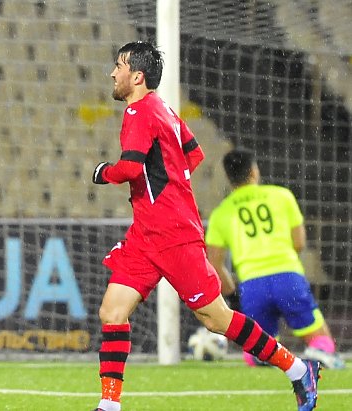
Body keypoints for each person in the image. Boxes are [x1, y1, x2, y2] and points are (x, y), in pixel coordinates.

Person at [90, 41, 320, 411]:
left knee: (217, 319)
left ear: (137, 76)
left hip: (174, 237)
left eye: (118, 66)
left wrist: (104, 173)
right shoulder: (163, 109)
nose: (113, 73)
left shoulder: (138, 112)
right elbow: (193, 152)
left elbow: (130, 168)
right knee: (112, 312)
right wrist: (169, 186)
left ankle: (296, 369)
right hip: (146, 236)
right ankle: (109, 404)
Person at [206, 148, 345, 370]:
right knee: (321, 340)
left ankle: (262, 357)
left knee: (258, 348)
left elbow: (213, 264)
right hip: (287, 277)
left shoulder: (221, 213)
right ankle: (317, 355)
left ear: (229, 178)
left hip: (252, 286)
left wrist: (233, 296)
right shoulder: (281, 196)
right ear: (254, 171)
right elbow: (299, 243)